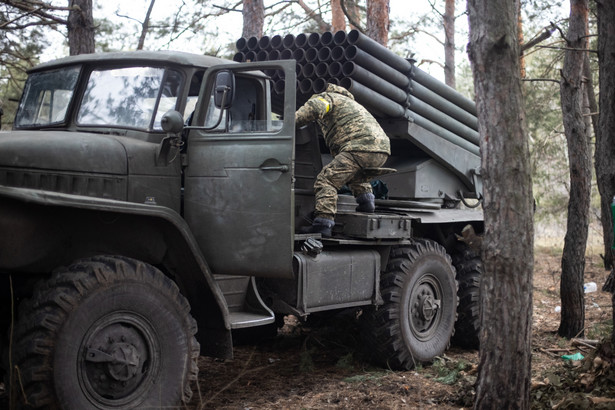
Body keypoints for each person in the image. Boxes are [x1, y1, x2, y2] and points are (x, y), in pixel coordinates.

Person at [295, 83, 390, 237]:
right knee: (355, 174)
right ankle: (366, 203)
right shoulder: (351, 103)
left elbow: (314, 109)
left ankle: (323, 224)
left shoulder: (327, 98)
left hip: (359, 147)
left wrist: (288, 124)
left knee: (326, 180)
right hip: (382, 150)